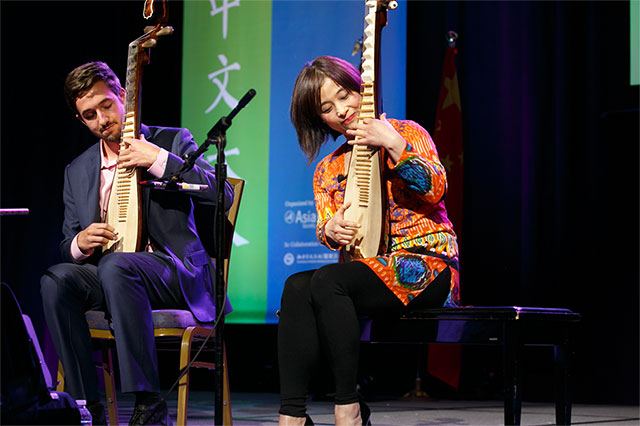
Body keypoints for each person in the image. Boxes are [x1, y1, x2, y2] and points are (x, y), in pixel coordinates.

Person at [40, 61, 234, 426]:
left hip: (172, 272)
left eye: (106, 105)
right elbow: (67, 242)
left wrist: (160, 161)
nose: (102, 119)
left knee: (118, 266)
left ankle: (148, 403)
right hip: (110, 273)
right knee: (56, 280)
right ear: (82, 121)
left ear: (124, 98)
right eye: (89, 115)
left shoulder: (171, 140)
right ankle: (86, 406)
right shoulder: (78, 170)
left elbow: (221, 192)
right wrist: (80, 243)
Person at [278, 56, 460, 426]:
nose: (342, 111)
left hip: (429, 265)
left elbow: (436, 188)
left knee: (329, 280)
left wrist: (392, 143)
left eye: (345, 96)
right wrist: (329, 231)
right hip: (371, 271)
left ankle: (349, 408)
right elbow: (327, 225)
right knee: (297, 286)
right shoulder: (329, 168)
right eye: (327, 108)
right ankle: (292, 415)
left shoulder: (407, 132)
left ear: (362, 90)